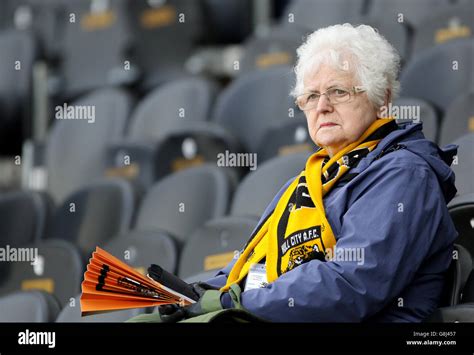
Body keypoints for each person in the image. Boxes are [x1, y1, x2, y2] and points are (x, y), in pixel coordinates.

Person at [128, 23, 458, 323]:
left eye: (338, 92)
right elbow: (249, 269)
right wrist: (195, 294)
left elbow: (351, 284)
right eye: (311, 96)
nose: (322, 106)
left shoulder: (403, 174)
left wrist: (234, 302)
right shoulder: (306, 181)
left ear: (381, 98)